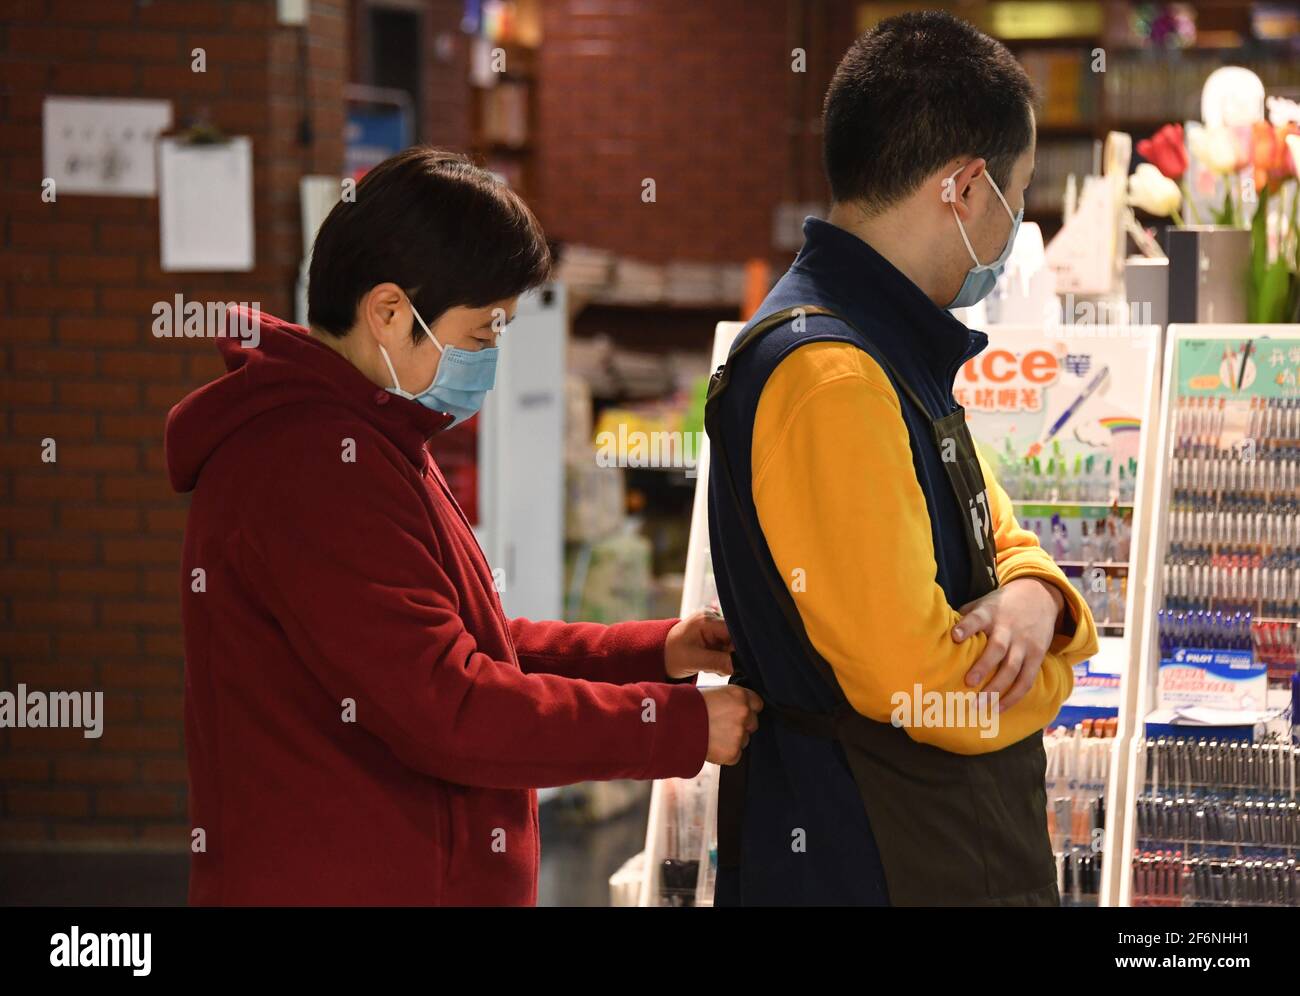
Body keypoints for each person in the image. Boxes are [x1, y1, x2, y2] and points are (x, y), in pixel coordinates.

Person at [164, 148, 762, 906]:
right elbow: (451, 707)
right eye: (482, 333)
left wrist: (655, 654)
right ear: (388, 313)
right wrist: (673, 727)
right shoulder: (312, 466)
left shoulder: (374, 433)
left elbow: (472, 645)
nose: (491, 358)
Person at [706, 11, 1099, 906]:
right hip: (861, 852)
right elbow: (918, 680)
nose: (1017, 225)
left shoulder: (886, 343)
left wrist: (1037, 597)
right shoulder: (831, 374)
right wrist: (1062, 665)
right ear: (964, 188)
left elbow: (1004, 535)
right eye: (1019, 194)